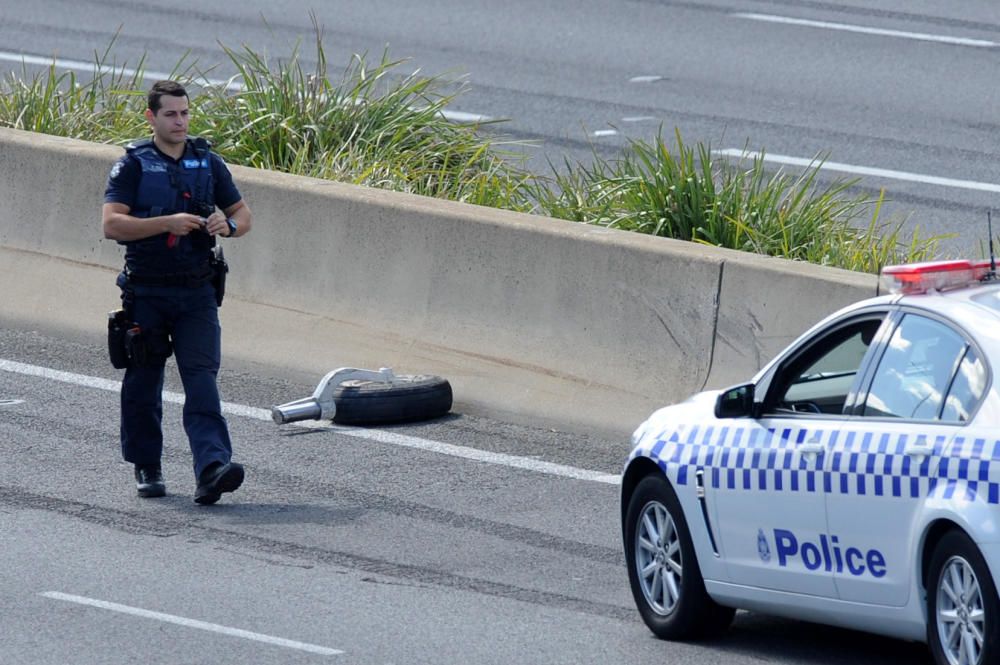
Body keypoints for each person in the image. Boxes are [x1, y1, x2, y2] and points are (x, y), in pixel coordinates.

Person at [102, 80, 253, 505]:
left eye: (185, 113)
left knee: (202, 380)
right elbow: (112, 224)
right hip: (146, 293)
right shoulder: (132, 164)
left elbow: (243, 213)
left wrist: (230, 225)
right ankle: (147, 464)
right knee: (143, 382)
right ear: (152, 117)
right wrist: (165, 223)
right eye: (171, 114)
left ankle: (212, 468)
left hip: (197, 293)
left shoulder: (208, 161)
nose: (180, 121)